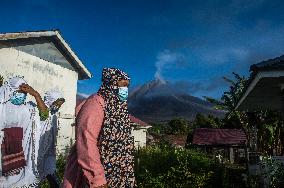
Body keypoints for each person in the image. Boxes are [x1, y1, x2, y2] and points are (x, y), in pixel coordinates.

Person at [63, 68, 136, 188]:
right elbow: (86, 141)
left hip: (118, 174)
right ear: (111, 83)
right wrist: (97, 180)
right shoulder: (96, 103)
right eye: (123, 85)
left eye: (127, 86)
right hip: (94, 177)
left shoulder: (119, 108)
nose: (125, 90)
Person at [0, 76, 44, 187]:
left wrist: (36, 95)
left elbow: (44, 115)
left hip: (20, 151)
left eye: (24, 93)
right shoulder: (2, 106)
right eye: (19, 91)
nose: (22, 95)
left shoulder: (28, 108)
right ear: (11, 90)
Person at [19, 86, 65, 187]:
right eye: (56, 103)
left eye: (60, 105)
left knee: (42, 175)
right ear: (50, 100)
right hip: (32, 151)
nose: (58, 107)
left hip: (45, 153)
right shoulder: (36, 110)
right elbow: (44, 113)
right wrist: (36, 95)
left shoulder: (54, 116)